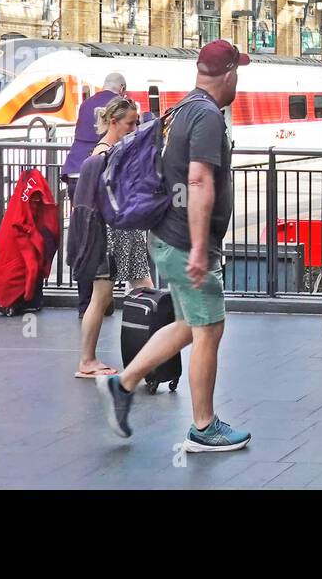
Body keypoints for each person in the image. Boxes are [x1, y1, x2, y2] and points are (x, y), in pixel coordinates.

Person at [96, 39, 251, 452]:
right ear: (229, 75)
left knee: (187, 325)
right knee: (209, 328)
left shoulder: (185, 108)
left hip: (168, 235)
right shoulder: (208, 117)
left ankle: (122, 385)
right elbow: (198, 180)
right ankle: (204, 427)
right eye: (239, 73)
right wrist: (199, 247)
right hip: (186, 241)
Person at [77, 97, 152, 378]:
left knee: (145, 287)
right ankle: (87, 361)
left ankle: (151, 358)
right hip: (109, 233)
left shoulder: (114, 152)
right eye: (130, 123)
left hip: (124, 230)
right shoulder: (102, 155)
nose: (133, 128)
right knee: (102, 296)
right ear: (113, 122)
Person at [63, 72, 127, 318]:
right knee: (103, 241)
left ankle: (87, 303)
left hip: (75, 174)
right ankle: (99, 301)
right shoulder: (119, 105)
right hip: (98, 177)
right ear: (122, 88)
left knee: (85, 237)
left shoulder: (86, 104)